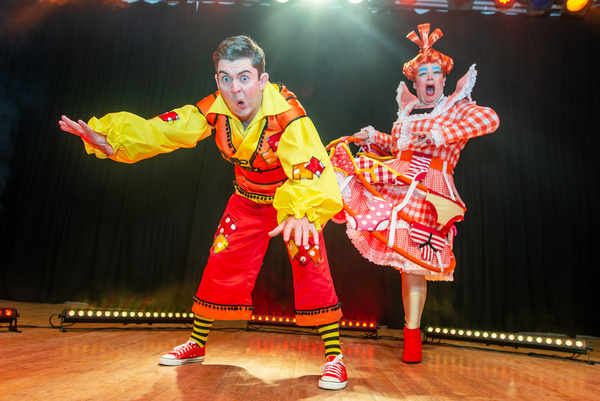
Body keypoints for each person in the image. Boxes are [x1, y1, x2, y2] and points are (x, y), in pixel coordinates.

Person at [59, 35, 348, 390]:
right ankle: (196, 344)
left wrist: (303, 211)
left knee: (311, 261)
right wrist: (110, 140)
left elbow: (310, 161)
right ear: (217, 82)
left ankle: (334, 358)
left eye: (244, 77)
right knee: (220, 261)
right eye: (226, 79)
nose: (235, 89)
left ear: (262, 80)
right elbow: (165, 129)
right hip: (246, 200)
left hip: (292, 205)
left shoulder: (287, 115)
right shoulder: (215, 109)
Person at [329, 23, 499, 364]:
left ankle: (412, 336)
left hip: (430, 190)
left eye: (436, 72)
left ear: (444, 79)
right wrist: (374, 137)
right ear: (415, 82)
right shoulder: (406, 112)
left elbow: (490, 119)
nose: (431, 78)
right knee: (344, 173)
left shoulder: (455, 107)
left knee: (414, 267)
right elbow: (399, 147)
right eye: (424, 73)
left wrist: (444, 134)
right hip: (398, 180)